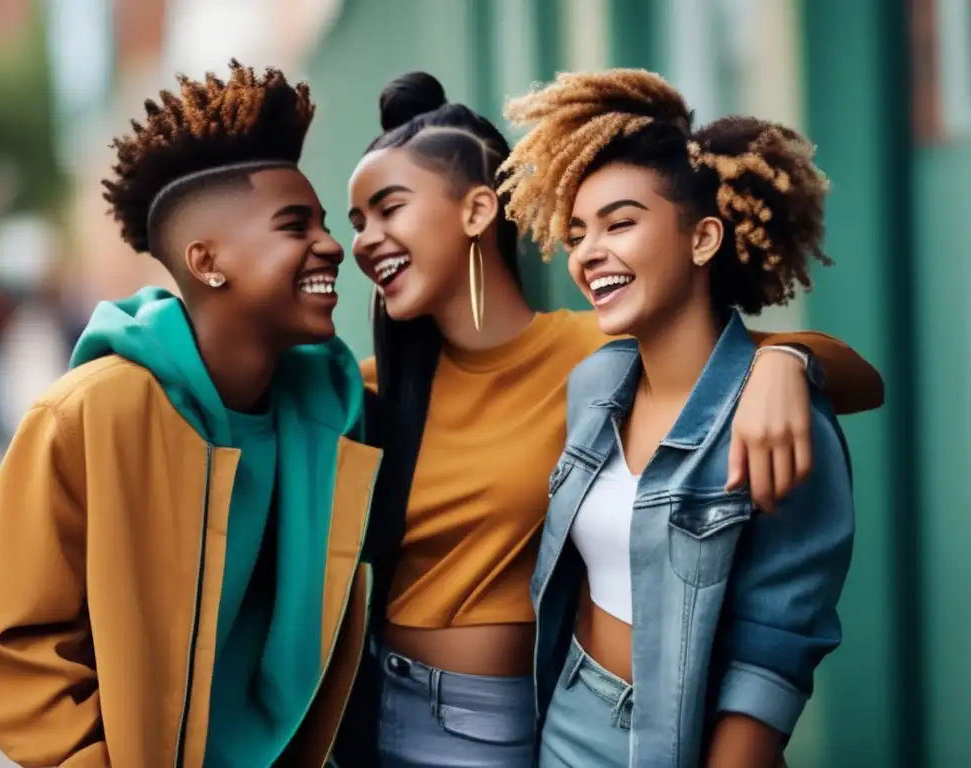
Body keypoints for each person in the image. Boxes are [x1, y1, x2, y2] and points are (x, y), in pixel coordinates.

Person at [337, 71, 882, 768]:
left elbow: (729, 357)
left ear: (478, 212)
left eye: (388, 210)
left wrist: (788, 363)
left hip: (549, 724)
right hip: (456, 708)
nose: (364, 242)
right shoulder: (384, 388)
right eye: (576, 233)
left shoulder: (585, 353)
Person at [0, 60, 380, 768]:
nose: (333, 244)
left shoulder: (337, 410)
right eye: (295, 225)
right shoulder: (89, 417)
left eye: (325, 222)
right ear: (206, 260)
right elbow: (19, 642)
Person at [498, 69, 856, 767]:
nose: (588, 253)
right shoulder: (594, 384)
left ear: (703, 240)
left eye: (620, 223)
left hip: (682, 741)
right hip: (565, 717)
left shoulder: (783, 417)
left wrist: (787, 363)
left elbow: (774, 654)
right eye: (576, 233)